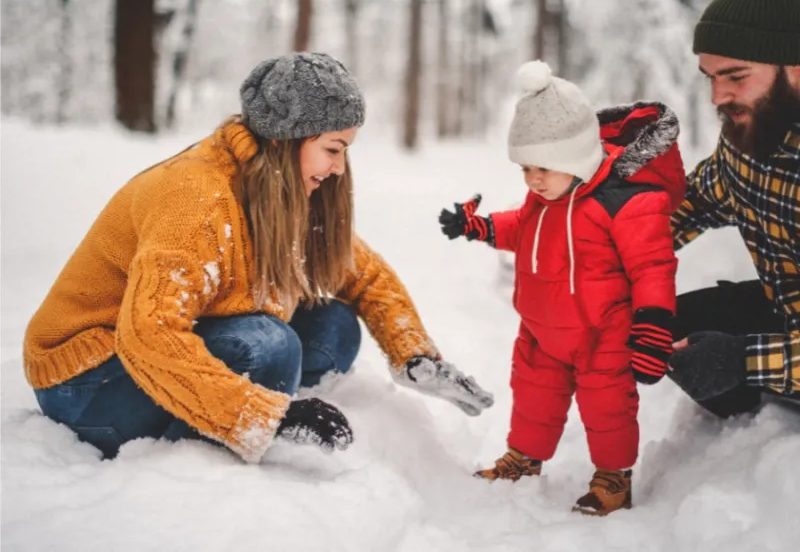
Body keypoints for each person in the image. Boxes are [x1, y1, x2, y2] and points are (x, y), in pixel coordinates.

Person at [24, 52, 493, 462]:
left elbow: (362, 272)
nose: (338, 168)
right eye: (332, 149)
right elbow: (149, 334)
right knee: (270, 344)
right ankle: (207, 449)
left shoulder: (276, 191)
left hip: (140, 358)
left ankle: (229, 408)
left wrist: (416, 357)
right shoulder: (195, 200)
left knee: (333, 325)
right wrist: (264, 416)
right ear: (285, 140)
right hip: (88, 382)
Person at [439, 61, 685, 515]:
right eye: (526, 168)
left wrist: (653, 325)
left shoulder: (626, 199)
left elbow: (653, 266)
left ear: (574, 157)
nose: (533, 179)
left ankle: (613, 476)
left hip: (602, 333)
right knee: (533, 399)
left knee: (608, 407)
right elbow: (522, 228)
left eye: (544, 167)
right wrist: (480, 227)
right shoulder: (544, 197)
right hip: (541, 330)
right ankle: (523, 458)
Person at [669, 0, 800, 416]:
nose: (717, 96)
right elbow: (698, 200)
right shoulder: (754, 133)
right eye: (710, 77)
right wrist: (598, 246)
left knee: (721, 359)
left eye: (736, 76)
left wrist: (743, 361)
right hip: (787, 316)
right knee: (659, 328)